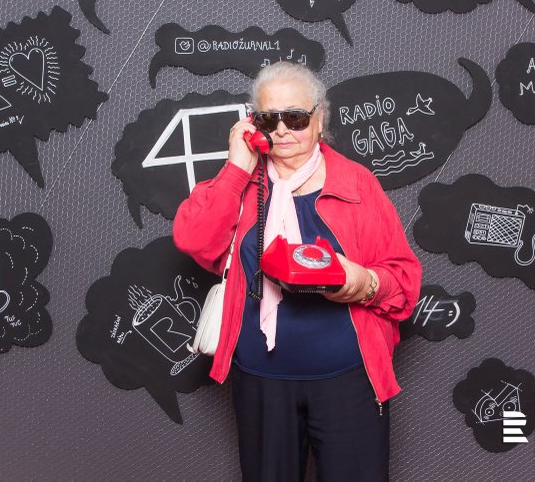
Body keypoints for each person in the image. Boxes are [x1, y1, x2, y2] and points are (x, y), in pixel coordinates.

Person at [173, 62, 421, 482]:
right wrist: (236, 169)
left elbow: (404, 283)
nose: (283, 130)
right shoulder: (242, 183)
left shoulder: (357, 184)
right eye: (268, 119)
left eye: (296, 118)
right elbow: (195, 241)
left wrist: (364, 283)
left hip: (348, 379)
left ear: (319, 118)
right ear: (253, 124)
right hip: (262, 381)